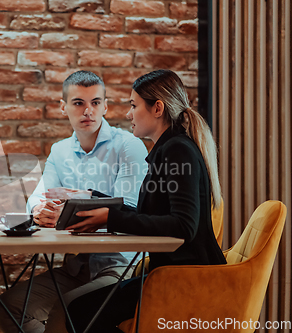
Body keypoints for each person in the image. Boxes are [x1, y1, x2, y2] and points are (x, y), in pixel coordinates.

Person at [64, 69, 227, 333]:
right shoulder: (169, 149)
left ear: (157, 108)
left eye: (133, 105)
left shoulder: (177, 150)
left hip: (185, 279)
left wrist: (109, 217)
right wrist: (91, 198)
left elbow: (184, 226)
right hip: (170, 275)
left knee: (81, 312)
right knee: (80, 310)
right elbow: (146, 215)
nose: (128, 114)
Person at [0, 70, 148, 333]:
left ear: (106, 106)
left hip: (122, 267)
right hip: (76, 269)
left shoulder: (128, 146)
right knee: (7, 309)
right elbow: (39, 196)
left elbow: (127, 208)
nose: (88, 110)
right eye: (79, 103)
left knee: (65, 312)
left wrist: (68, 214)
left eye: (95, 103)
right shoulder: (60, 150)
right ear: (63, 107)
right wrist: (40, 210)